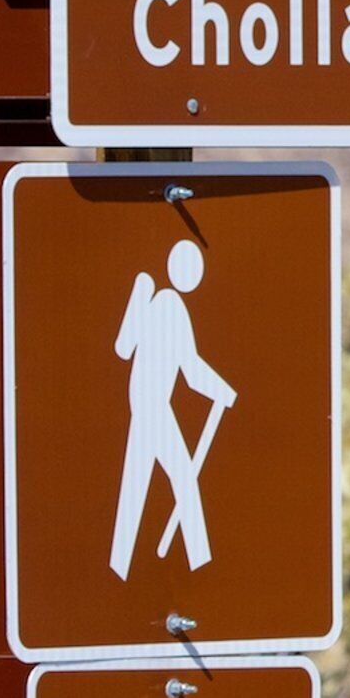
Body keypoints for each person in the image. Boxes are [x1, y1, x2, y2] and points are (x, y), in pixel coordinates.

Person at [109, 239, 237, 579]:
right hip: (152, 406)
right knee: (181, 477)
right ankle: (202, 564)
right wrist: (223, 391)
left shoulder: (162, 302)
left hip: (146, 403)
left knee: (137, 485)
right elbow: (190, 369)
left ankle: (119, 566)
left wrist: (220, 391)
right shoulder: (171, 306)